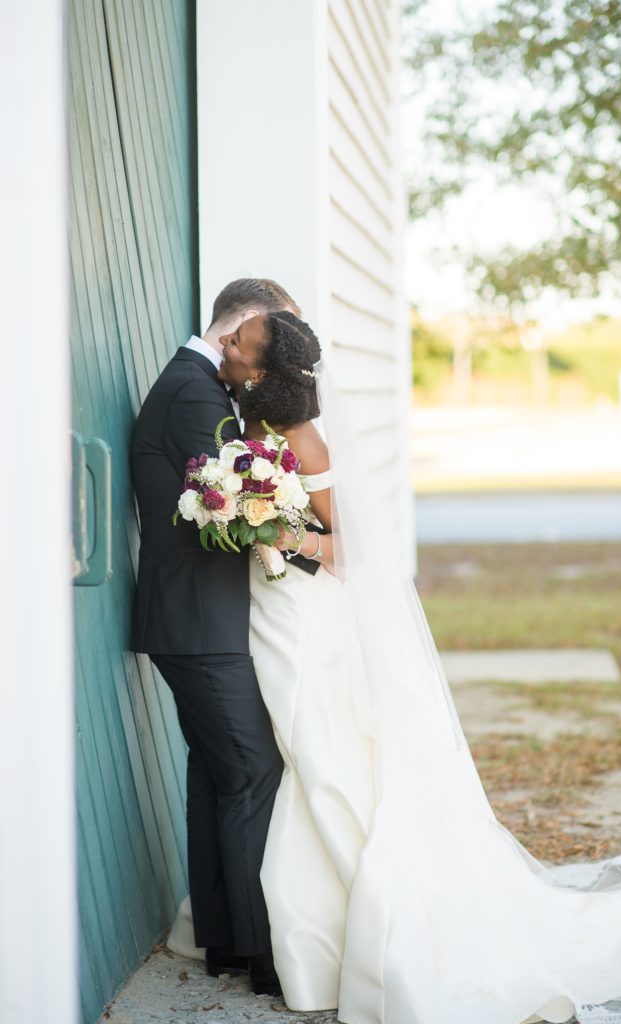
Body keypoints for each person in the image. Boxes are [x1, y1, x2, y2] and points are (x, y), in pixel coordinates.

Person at [171, 310, 621, 1024]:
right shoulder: (245, 428)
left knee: (320, 757)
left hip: (306, 621)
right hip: (268, 614)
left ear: (265, 370)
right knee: (299, 758)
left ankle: (353, 922)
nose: (224, 344)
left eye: (239, 342)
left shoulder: (305, 438)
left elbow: (349, 549)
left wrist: (278, 529)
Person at [130, 280, 321, 996]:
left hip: (196, 620)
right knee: (252, 771)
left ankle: (228, 944)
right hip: (196, 622)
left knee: (219, 773)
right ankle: (264, 954)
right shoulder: (194, 393)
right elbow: (238, 502)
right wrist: (315, 548)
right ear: (241, 329)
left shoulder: (202, 386)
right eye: (268, 351)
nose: (267, 374)